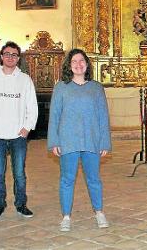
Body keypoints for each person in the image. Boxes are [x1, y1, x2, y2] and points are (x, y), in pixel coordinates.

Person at [47, 49, 111, 232]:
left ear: (86, 64)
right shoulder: (61, 87)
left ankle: (99, 212)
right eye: (74, 61)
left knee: (94, 179)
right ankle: (66, 216)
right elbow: (55, 116)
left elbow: (103, 116)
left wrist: (105, 142)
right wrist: (54, 141)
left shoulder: (96, 88)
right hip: (68, 141)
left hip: (92, 140)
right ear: (69, 65)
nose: (78, 64)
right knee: (67, 179)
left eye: (81, 61)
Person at [0, 41, 38, 219]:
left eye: (14, 55)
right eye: (7, 54)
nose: (10, 57)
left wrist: (27, 128)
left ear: (18, 58)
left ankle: (21, 204)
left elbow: (32, 107)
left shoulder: (25, 80)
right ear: (1, 56)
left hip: (18, 135)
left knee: (19, 173)